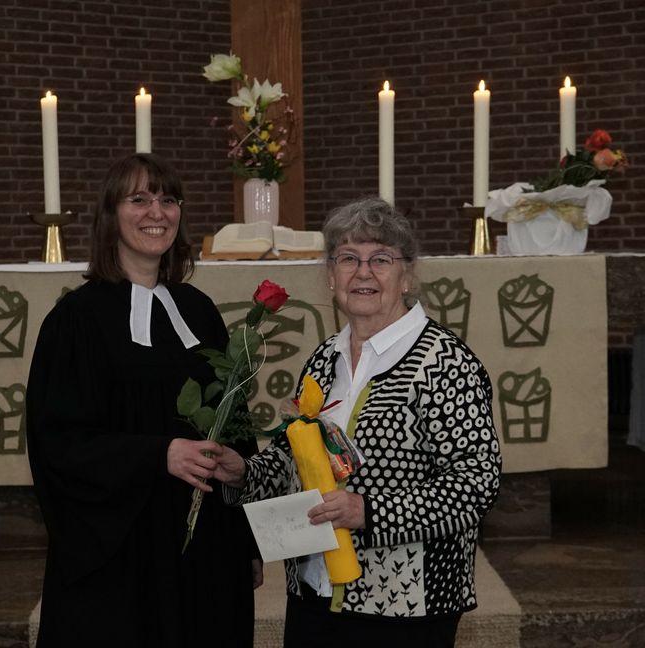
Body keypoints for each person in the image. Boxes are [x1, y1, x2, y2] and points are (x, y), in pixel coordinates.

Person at [213, 197, 502, 647]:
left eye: (381, 259)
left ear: (407, 275)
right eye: (348, 258)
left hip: (407, 604)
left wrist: (370, 512)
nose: (362, 272)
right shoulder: (326, 358)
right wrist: (244, 473)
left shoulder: (445, 362)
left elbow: (476, 482)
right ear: (330, 275)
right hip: (313, 590)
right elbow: (293, 459)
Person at [26, 153, 259, 647]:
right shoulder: (77, 320)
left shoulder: (198, 310)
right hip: (121, 547)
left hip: (204, 544)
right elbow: (58, 444)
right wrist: (160, 454)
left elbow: (232, 419)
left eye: (168, 199)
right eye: (139, 199)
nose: (157, 212)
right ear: (111, 215)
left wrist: (246, 539)